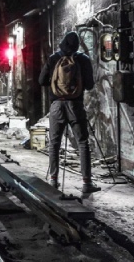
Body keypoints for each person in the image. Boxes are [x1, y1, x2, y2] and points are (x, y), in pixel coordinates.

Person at [38, 31, 101, 193]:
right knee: (82, 143)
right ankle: (87, 183)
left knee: (54, 143)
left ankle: (53, 180)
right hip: (75, 105)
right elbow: (89, 85)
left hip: (57, 105)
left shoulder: (53, 59)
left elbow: (41, 81)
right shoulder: (83, 59)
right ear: (77, 45)